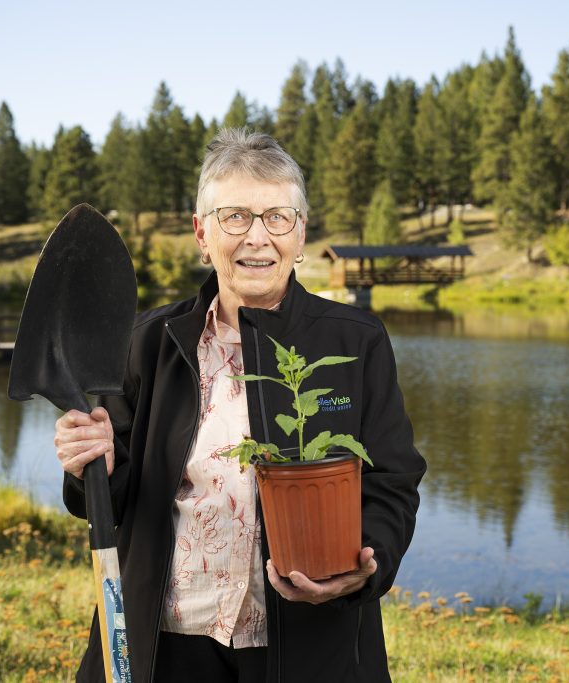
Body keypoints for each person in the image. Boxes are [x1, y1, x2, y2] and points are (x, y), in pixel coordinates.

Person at [54, 127, 426, 682]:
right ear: (203, 235)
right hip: (164, 646)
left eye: (278, 217)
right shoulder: (145, 343)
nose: (258, 237)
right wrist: (92, 464)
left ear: (301, 236)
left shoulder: (355, 342)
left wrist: (365, 563)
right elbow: (105, 497)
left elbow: (392, 481)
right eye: (235, 217)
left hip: (306, 646)